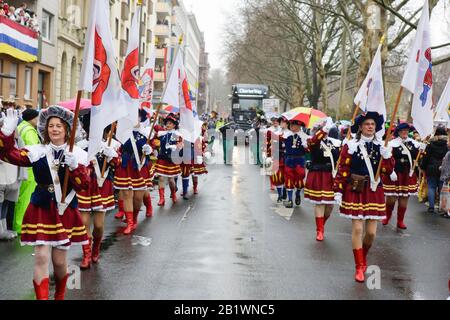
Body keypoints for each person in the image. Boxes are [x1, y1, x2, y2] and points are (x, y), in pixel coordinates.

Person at [0, 106, 90, 300]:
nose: (54, 129)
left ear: (67, 129)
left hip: (64, 210)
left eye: (59, 126)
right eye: (51, 126)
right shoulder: (37, 151)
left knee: (59, 262)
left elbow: (84, 186)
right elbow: (7, 155)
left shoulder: (78, 155)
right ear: (45, 129)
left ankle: (59, 294)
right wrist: (6, 134)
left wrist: (75, 167)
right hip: (41, 208)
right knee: (41, 256)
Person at [333, 112, 394, 283]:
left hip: (374, 190)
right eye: (366, 124)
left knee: (371, 233)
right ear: (360, 127)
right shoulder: (351, 145)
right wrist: (338, 189)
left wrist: (387, 156)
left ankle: (363, 256)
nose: (370, 126)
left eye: (372, 124)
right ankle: (359, 266)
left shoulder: (382, 146)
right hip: (356, 189)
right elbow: (343, 169)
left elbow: (388, 172)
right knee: (358, 229)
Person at [77, 114, 118, 269]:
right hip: (85, 187)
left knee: (99, 225)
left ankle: (96, 248)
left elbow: (118, 165)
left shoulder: (110, 145)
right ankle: (86, 254)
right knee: (84, 223)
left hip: (102, 186)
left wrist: (112, 156)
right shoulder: (79, 145)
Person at [382, 123, 425, 229]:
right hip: (394, 173)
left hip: (407, 174)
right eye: (403, 130)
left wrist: (423, 150)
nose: (405, 132)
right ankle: (387, 216)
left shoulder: (414, 143)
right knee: (391, 198)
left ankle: (400, 221)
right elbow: (386, 159)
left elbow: (419, 158)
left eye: (406, 130)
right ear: (398, 132)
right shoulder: (391, 144)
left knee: (404, 198)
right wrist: (390, 171)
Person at [305, 118, 341, 241]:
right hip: (319, 174)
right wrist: (323, 130)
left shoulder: (335, 143)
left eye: (327, 129)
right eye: (323, 129)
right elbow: (314, 141)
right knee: (320, 203)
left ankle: (321, 224)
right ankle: (319, 230)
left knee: (330, 207)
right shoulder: (312, 141)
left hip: (332, 176)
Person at [13, 108, 40, 234]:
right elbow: (34, 150)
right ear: (32, 118)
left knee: (22, 198)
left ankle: (20, 225)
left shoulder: (22, 127)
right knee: (25, 199)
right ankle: (21, 226)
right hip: (29, 170)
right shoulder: (29, 130)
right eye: (37, 118)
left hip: (23, 168)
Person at [154, 113, 183, 206]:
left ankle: (173, 194)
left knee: (171, 179)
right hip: (162, 159)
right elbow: (154, 140)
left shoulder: (176, 134)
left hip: (171, 160)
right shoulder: (162, 134)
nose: (168, 125)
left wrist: (174, 146)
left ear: (174, 125)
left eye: (170, 123)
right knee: (161, 178)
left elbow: (180, 145)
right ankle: (162, 199)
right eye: (167, 123)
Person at [420, 126, 448, 213]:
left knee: (431, 187)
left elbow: (426, 158)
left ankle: (431, 207)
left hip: (431, 168)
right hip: (443, 168)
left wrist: (423, 167)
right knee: (441, 188)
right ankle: (441, 206)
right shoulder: (447, 145)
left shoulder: (431, 144)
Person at [283, 119, 308, 209]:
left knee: (300, 178)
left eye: (293, 125)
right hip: (289, 159)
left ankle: (297, 193)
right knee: (288, 179)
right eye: (291, 125)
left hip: (299, 160)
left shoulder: (305, 136)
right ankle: (290, 199)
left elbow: (308, 150)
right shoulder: (286, 135)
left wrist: (305, 146)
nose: (291, 126)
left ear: (298, 126)